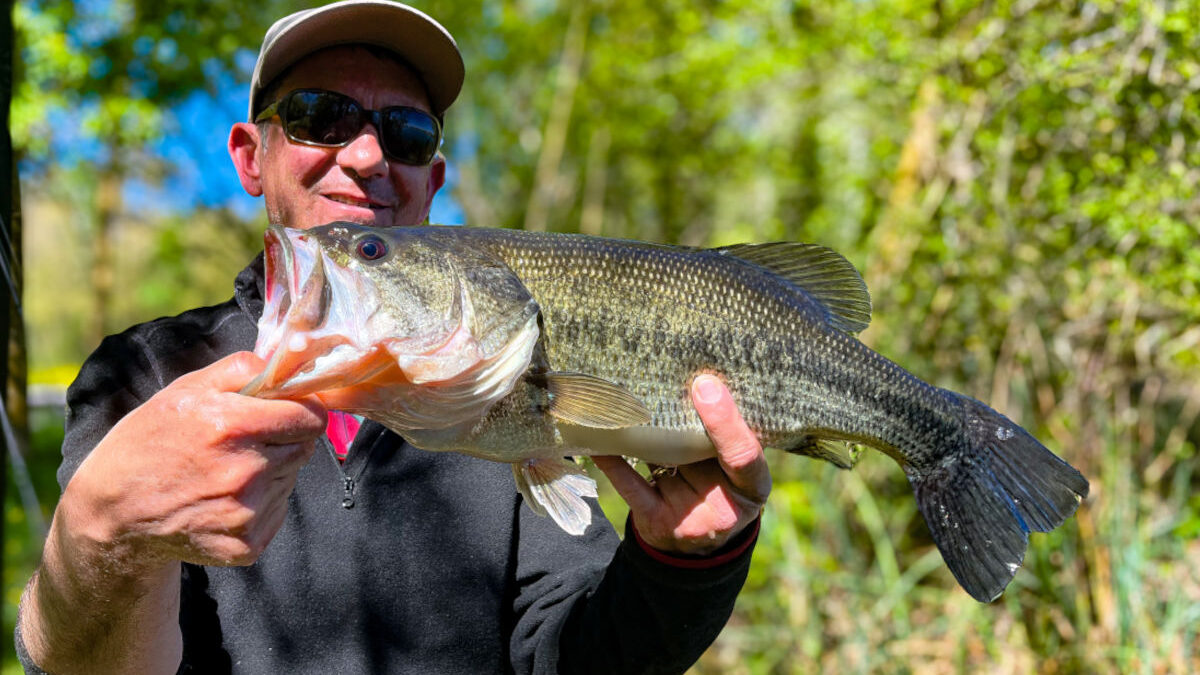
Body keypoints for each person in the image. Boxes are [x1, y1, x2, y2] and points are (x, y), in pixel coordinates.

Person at [15, 2, 771, 673]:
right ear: (251, 156)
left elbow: (571, 655)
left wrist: (680, 562)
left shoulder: (502, 386)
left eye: (406, 133)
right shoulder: (142, 371)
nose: (371, 156)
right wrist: (101, 539)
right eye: (320, 115)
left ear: (433, 180)